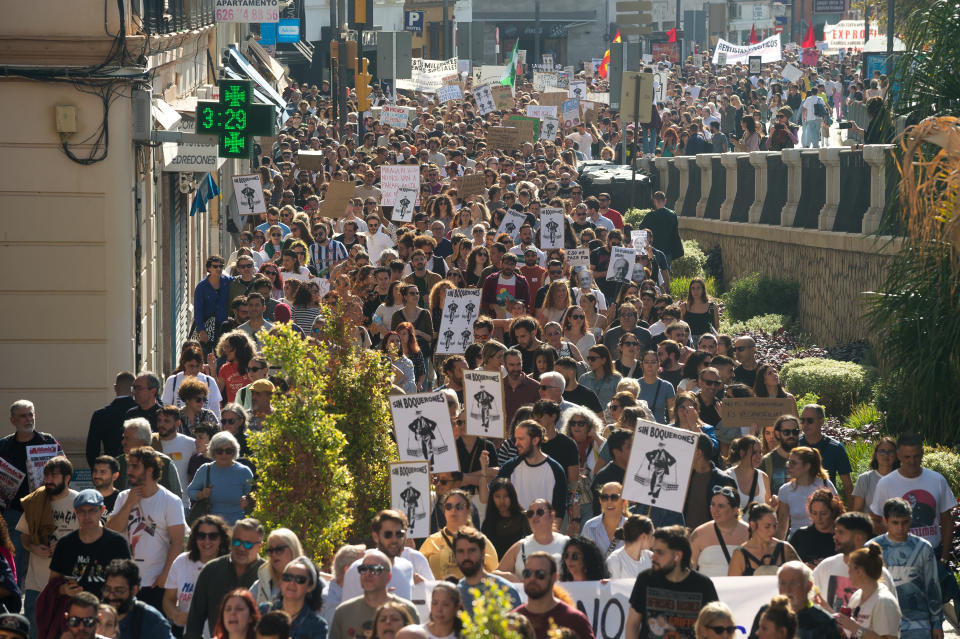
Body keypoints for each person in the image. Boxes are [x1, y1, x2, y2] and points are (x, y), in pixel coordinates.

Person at [106, 446, 185, 612]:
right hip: (125, 582)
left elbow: (177, 542)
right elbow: (111, 530)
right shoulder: (123, 497)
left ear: (149, 470)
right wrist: (129, 504)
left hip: (154, 582)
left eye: (135, 466)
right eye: (130, 466)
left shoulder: (170, 501)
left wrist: (165, 576)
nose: (129, 471)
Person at [4, 400, 62, 586]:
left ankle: (41, 603)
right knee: (14, 561)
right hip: (14, 512)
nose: (29, 419)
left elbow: (65, 467)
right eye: (23, 415)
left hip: (44, 510)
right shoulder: (3, 446)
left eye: (31, 414)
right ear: (13, 420)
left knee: (44, 559)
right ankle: (14, 608)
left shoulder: (48, 441)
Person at [18, 455, 79, 630]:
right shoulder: (35, 501)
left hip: (67, 584)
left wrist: (64, 547)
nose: (49, 480)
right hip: (36, 584)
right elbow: (24, 537)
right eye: (47, 476)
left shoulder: (80, 502)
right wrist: (33, 547)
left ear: (67, 478)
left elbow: (92, 536)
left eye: (54, 476)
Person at [626, 526, 718, 639]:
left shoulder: (704, 585)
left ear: (677, 556)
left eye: (660, 552)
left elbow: (714, 628)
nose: (653, 557)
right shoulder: (645, 579)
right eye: (653, 551)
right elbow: (632, 624)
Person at [872, 497, 944, 639]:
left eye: (904, 522)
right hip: (883, 624)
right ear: (885, 521)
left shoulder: (923, 547)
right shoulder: (871, 548)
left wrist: (936, 622)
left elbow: (932, 586)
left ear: (910, 519)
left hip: (919, 623)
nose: (900, 528)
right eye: (895, 523)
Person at [184, 518, 266, 639]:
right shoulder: (211, 570)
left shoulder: (267, 574)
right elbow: (194, 623)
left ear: (260, 546)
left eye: (248, 544)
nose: (241, 548)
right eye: (237, 542)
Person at [49, 489, 131, 600]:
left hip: (108, 611)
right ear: (75, 512)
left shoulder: (118, 543)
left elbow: (129, 581)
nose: (87, 516)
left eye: (92, 510)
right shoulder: (65, 544)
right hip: (75, 611)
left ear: (102, 510)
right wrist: (64, 589)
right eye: (81, 511)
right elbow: (52, 584)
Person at [812, 512, 897, 613]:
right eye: (835, 532)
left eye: (841, 532)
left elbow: (890, 615)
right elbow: (811, 601)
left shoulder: (880, 574)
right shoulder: (825, 566)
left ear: (858, 537)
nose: (835, 537)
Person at [163, 515, 231, 636]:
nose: (207, 541)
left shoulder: (231, 565)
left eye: (213, 536)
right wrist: (176, 615)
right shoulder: (181, 562)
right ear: (194, 538)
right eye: (201, 536)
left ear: (222, 539)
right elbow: (168, 600)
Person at [328, 550, 419, 639]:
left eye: (375, 569)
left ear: (388, 576)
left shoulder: (408, 610)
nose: (367, 574)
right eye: (363, 569)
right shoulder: (343, 612)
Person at [495, 421, 568, 519]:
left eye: (521, 439)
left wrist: (552, 534)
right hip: (516, 531)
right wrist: (484, 471)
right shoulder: (509, 467)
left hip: (544, 531)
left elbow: (559, 510)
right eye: (516, 439)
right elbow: (489, 498)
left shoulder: (556, 470)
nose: (516, 444)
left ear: (535, 440)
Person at [513, 552, 594, 639]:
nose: (532, 578)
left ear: (554, 578)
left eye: (540, 574)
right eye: (527, 573)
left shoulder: (575, 620)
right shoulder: (511, 622)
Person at [420, 491, 498, 581]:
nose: (453, 510)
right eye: (448, 507)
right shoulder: (431, 541)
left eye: (459, 506)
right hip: (437, 592)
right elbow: (418, 570)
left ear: (468, 510)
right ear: (444, 511)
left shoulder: (480, 540)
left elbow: (494, 571)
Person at [341, 510, 417, 602]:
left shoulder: (407, 567)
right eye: (388, 534)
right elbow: (347, 614)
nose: (394, 540)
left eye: (399, 534)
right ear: (376, 537)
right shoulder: (356, 570)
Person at [834, 543, 902, 639]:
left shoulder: (884, 601)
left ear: (860, 571)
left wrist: (855, 628)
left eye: (850, 567)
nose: (847, 572)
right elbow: (855, 632)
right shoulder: (856, 597)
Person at [187, 431, 254, 525]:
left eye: (228, 451)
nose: (224, 455)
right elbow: (190, 491)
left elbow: (254, 495)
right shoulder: (206, 469)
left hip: (238, 528)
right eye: (219, 451)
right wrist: (201, 494)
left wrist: (248, 500)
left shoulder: (244, 471)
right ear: (212, 452)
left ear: (234, 451)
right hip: (211, 528)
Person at [454, 526, 521, 619]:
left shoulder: (506, 592)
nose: (466, 557)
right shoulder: (455, 595)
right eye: (461, 551)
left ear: (483, 553)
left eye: (472, 550)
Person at [494, 498, 568, 582]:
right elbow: (494, 575)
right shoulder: (520, 546)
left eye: (540, 512)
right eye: (530, 513)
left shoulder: (567, 543)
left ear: (552, 516)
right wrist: (514, 579)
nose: (534, 516)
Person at [101, 558, 173, 639]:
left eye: (119, 591)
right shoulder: (94, 614)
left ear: (134, 590)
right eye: (108, 589)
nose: (111, 596)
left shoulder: (150, 619)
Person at [258, 556, 327, 639]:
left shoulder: (317, 626)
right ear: (280, 582)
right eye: (287, 577)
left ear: (310, 587)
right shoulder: (263, 611)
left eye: (300, 579)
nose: (292, 583)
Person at [797, 404, 853, 506]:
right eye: (802, 420)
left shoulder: (836, 448)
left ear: (821, 421)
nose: (805, 424)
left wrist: (853, 514)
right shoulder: (795, 446)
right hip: (799, 504)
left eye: (809, 420)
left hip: (826, 506)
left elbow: (847, 485)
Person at [776, 447, 837, 538]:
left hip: (825, 541)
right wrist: (779, 549)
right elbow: (782, 526)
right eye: (789, 462)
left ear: (807, 466)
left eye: (793, 463)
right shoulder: (785, 490)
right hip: (797, 544)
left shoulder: (825, 484)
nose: (789, 466)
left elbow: (837, 515)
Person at [690, 486, 749, 577]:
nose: (715, 510)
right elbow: (689, 571)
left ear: (735, 510)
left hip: (738, 589)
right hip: (708, 590)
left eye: (721, 506)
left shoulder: (749, 533)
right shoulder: (699, 533)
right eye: (713, 505)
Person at [682, 434, 737, 530]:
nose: (684, 452)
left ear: (698, 453)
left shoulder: (723, 481)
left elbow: (731, 516)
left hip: (712, 540)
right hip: (686, 540)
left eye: (687, 448)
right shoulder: (684, 476)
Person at [729, 504, 799, 576]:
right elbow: (732, 585)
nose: (772, 531)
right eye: (767, 527)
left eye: (774, 526)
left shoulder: (785, 548)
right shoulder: (740, 554)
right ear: (753, 525)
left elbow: (806, 577)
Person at [86, 372, 137, 467]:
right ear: (133, 389)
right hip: (136, 466)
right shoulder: (139, 412)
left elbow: (92, 450)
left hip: (111, 468)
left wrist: (96, 472)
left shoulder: (100, 414)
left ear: (115, 388)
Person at [788, 489, 844, 568]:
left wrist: (826, 565)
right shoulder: (800, 535)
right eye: (814, 513)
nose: (819, 518)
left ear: (833, 512)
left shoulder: (841, 537)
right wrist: (804, 567)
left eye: (823, 513)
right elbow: (787, 564)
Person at [250, 528, 305, 605]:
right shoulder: (261, 585)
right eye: (270, 551)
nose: (274, 554)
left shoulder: (311, 582)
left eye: (279, 549)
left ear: (293, 549)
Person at [725, 436, 772, 515]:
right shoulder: (727, 476)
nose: (759, 456)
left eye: (760, 452)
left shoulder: (764, 477)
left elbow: (768, 510)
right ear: (742, 453)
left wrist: (774, 506)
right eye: (754, 453)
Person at [851, 437, 898, 514]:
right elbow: (857, 511)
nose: (886, 455)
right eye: (882, 451)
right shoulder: (865, 479)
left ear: (896, 456)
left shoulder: (902, 478)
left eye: (890, 451)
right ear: (876, 455)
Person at [581, 482, 626, 557]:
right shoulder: (589, 526)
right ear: (600, 500)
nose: (609, 501)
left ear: (624, 501)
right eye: (604, 497)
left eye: (614, 497)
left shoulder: (633, 527)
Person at [639, 192, 683, 265]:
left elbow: (641, 230)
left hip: (652, 250)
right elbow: (675, 234)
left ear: (654, 201)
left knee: (653, 272)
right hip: (668, 250)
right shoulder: (673, 215)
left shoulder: (650, 215)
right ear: (665, 200)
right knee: (666, 273)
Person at [761, 415, 801, 495]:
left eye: (795, 432)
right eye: (786, 432)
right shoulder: (765, 462)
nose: (791, 435)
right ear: (778, 434)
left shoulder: (808, 459)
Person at [605, 514, 653, 579]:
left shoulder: (651, 556)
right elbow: (614, 588)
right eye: (651, 535)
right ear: (643, 536)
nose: (653, 539)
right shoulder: (615, 560)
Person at [578, 345, 622, 410]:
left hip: (609, 418)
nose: (589, 361)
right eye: (588, 358)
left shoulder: (617, 379)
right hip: (588, 417)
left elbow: (621, 402)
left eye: (593, 359)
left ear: (603, 360)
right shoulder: (583, 378)